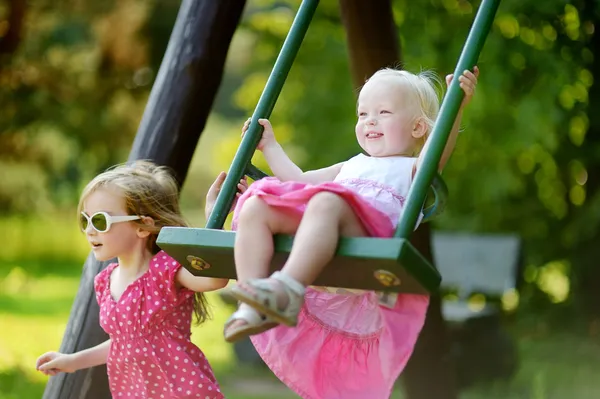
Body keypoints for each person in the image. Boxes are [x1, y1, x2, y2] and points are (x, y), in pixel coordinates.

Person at [213, 66, 479, 399]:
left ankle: (288, 288)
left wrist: (455, 108)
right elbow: (298, 180)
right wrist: (270, 147)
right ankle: (257, 298)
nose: (370, 120)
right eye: (363, 113)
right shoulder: (351, 165)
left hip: (371, 240)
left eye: (383, 112)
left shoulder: (413, 169)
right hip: (332, 229)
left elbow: (437, 152)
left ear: (417, 127)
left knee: (326, 201)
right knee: (259, 202)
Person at [36, 161, 246, 399]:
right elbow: (123, 344)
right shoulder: (105, 281)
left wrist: (214, 219)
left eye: (100, 221)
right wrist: (72, 361)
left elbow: (214, 280)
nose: (90, 231)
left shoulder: (164, 270)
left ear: (143, 226)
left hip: (181, 391)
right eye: (86, 221)